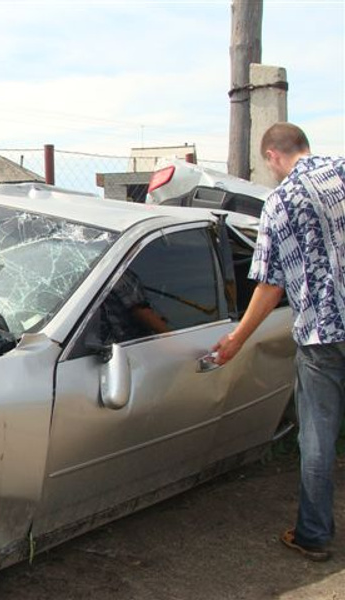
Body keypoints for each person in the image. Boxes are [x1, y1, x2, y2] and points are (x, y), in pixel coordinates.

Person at [213, 122, 345, 562]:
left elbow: (270, 286)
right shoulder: (343, 171)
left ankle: (313, 535)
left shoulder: (280, 202)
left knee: (318, 437)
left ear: (272, 155)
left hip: (321, 336)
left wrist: (236, 339)